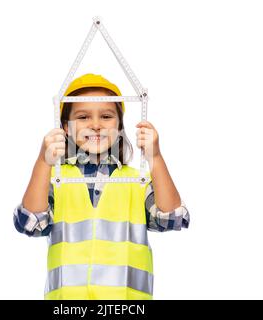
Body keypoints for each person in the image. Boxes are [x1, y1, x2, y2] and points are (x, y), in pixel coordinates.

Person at [13, 73, 190, 299]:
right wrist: (42, 162)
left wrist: (155, 157)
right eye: (83, 117)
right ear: (65, 127)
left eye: (106, 116)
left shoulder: (137, 180)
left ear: (119, 126)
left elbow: (171, 218)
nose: (96, 125)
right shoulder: (54, 179)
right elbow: (31, 223)